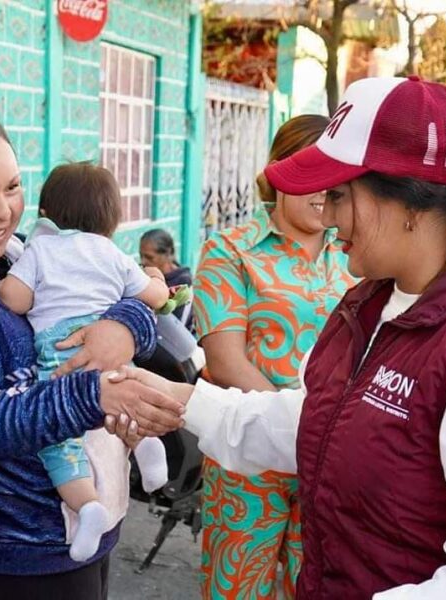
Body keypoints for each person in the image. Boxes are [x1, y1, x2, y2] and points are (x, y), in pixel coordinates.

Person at [108, 76, 446, 599]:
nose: (328, 214)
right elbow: (312, 422)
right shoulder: (368, 305)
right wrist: (181, 400)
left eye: (340, 196)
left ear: (408, 201)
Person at [0, 97, 183, 599]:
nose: (3, 211)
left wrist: (123, 327)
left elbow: (124, 296)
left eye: (12, 187)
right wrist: (91, 396)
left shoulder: (24, 250)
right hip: (15, 550)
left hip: (88, 525)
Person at [191, 114, 356, 598]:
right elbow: (225, 363)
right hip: (246, 456)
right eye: (312, 173)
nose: (325, 190)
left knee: (320, 587)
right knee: (238, 591)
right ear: (281, 171)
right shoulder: (230, 251)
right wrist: (298, 429)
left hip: (331, 464)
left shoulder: (356, 255)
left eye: (338, 177)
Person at [0, 162, 170, 563]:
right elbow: (154, 298)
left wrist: (5, 284)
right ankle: (148, 446)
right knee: (122, 396)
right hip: (106, 344)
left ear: (46, 213)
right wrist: (158, 280)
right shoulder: (111, 252)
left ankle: (86, 505)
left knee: (59, 441)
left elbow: (15, 300)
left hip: (61, 354)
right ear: (110, 219)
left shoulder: (40, 248)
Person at [140, 229, 194, 330]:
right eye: (141, 256)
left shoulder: (184, 284)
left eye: (149, 257)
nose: (143, 261)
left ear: (168, 254)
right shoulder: (144, 277)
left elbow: (178, 328)